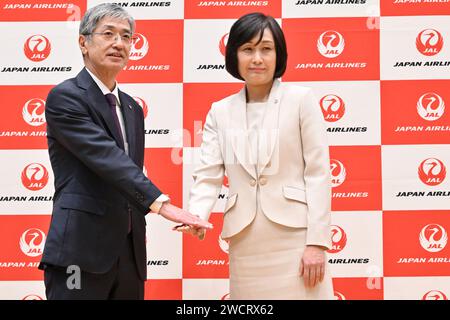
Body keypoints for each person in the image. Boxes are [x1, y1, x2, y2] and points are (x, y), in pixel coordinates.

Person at [39, 3, 212, 300]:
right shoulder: (65, 97)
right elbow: (109, 160)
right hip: (80, 252)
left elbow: (128, 176)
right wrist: (163, 205)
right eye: (108, 34)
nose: (119, 43)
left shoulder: (132, 107)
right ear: (83, 42)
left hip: (129, 254)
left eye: (126, 36)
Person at [176, 12, 333, 299]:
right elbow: (209, 173)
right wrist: (196, 214)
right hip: (246, 241)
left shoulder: (301, 100)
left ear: (279, 54)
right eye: (247, 49)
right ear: (234, 55)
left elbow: (319, 174)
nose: (257, 58)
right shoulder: (220, 110)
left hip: (296, 239)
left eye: (266, 49)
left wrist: (317, 244)